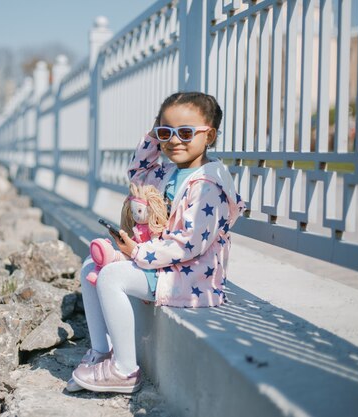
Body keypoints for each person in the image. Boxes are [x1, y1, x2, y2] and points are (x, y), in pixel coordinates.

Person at [68, 92, 245, 394]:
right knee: (90, 267)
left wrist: (136, 252)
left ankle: (124, 370)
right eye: (166, 132)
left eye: (186, 132)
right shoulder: (169, 172)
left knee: (111, 276)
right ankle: (101, 351)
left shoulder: (208, 186)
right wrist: (153, 134)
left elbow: (187, 245)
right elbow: (137, 173)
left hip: (190, 278)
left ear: (210, 135)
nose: (174, 141)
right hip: (159, 265)